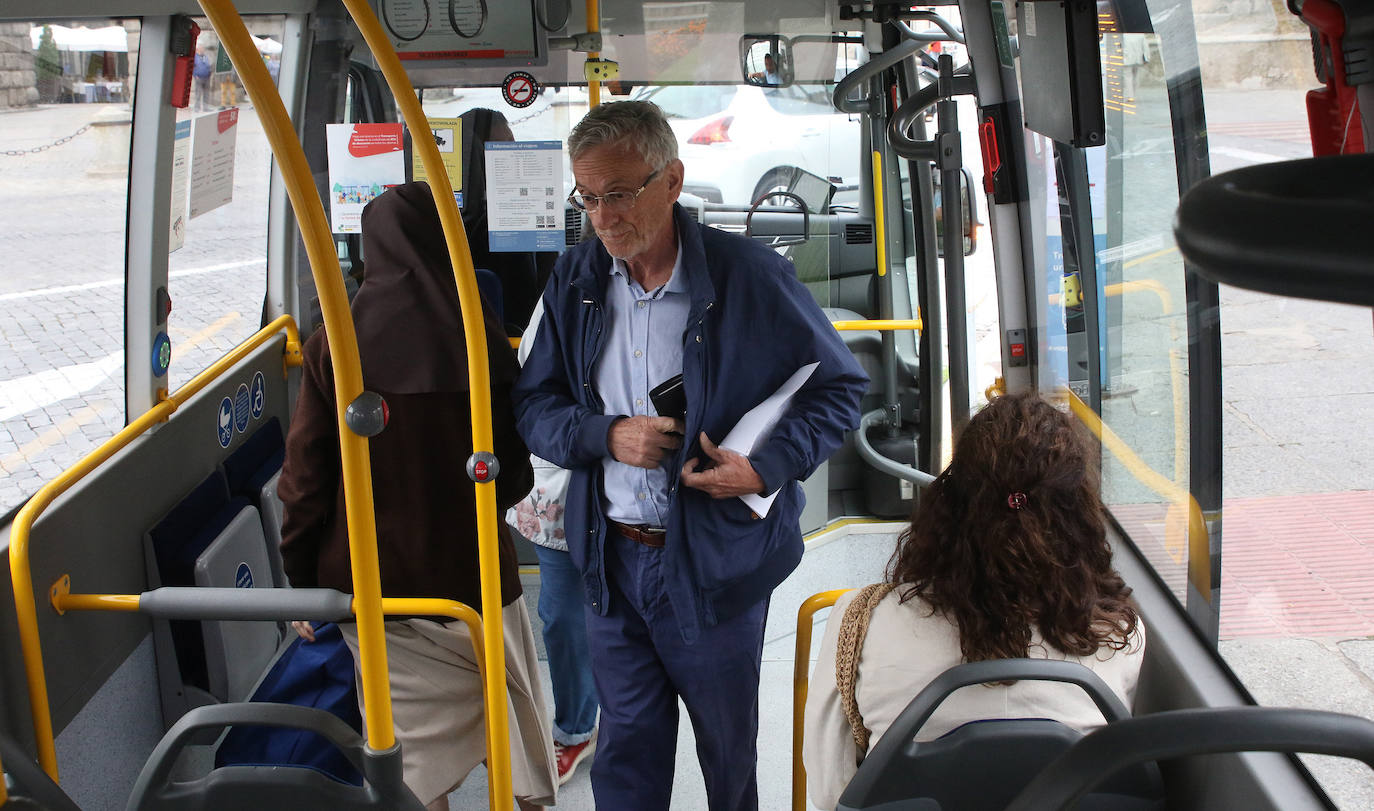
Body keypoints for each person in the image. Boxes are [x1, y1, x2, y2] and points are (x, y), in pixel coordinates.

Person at [514, 100, 868, 810]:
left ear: (672, 180)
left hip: (714, 565)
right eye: (588, 197)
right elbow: (534, 406)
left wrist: (763, 468)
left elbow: (840, 390)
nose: (604, 215)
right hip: (611, 561)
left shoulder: (749, 277)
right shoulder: (576, 281)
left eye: (620, 193)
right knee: (627, 757)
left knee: (727, 755)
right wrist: (605, 435)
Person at [278, 181, 557, 810]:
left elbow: (305, 481)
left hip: (378, 585)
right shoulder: (479, 335)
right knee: (508, 716)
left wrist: (300, 578)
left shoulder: (336, 343)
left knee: (411, 756)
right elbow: (514, 470)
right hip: (476, 574)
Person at [803, 391, 1147, 811]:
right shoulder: (1117, 635)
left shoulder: (859, 624)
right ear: (1080, 514)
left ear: (949, 502)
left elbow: (830, 794)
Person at [507, 296, 600, 785]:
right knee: (563, 619)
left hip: (640, 489)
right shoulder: (561, 302)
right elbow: (534, 394)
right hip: (562, 481)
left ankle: (626, 717)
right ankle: (576, 727)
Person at [457, 108, 550, 334]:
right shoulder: (495, 219)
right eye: (505, 146)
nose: (513, 153)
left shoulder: (448, 213)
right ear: (477, 157)